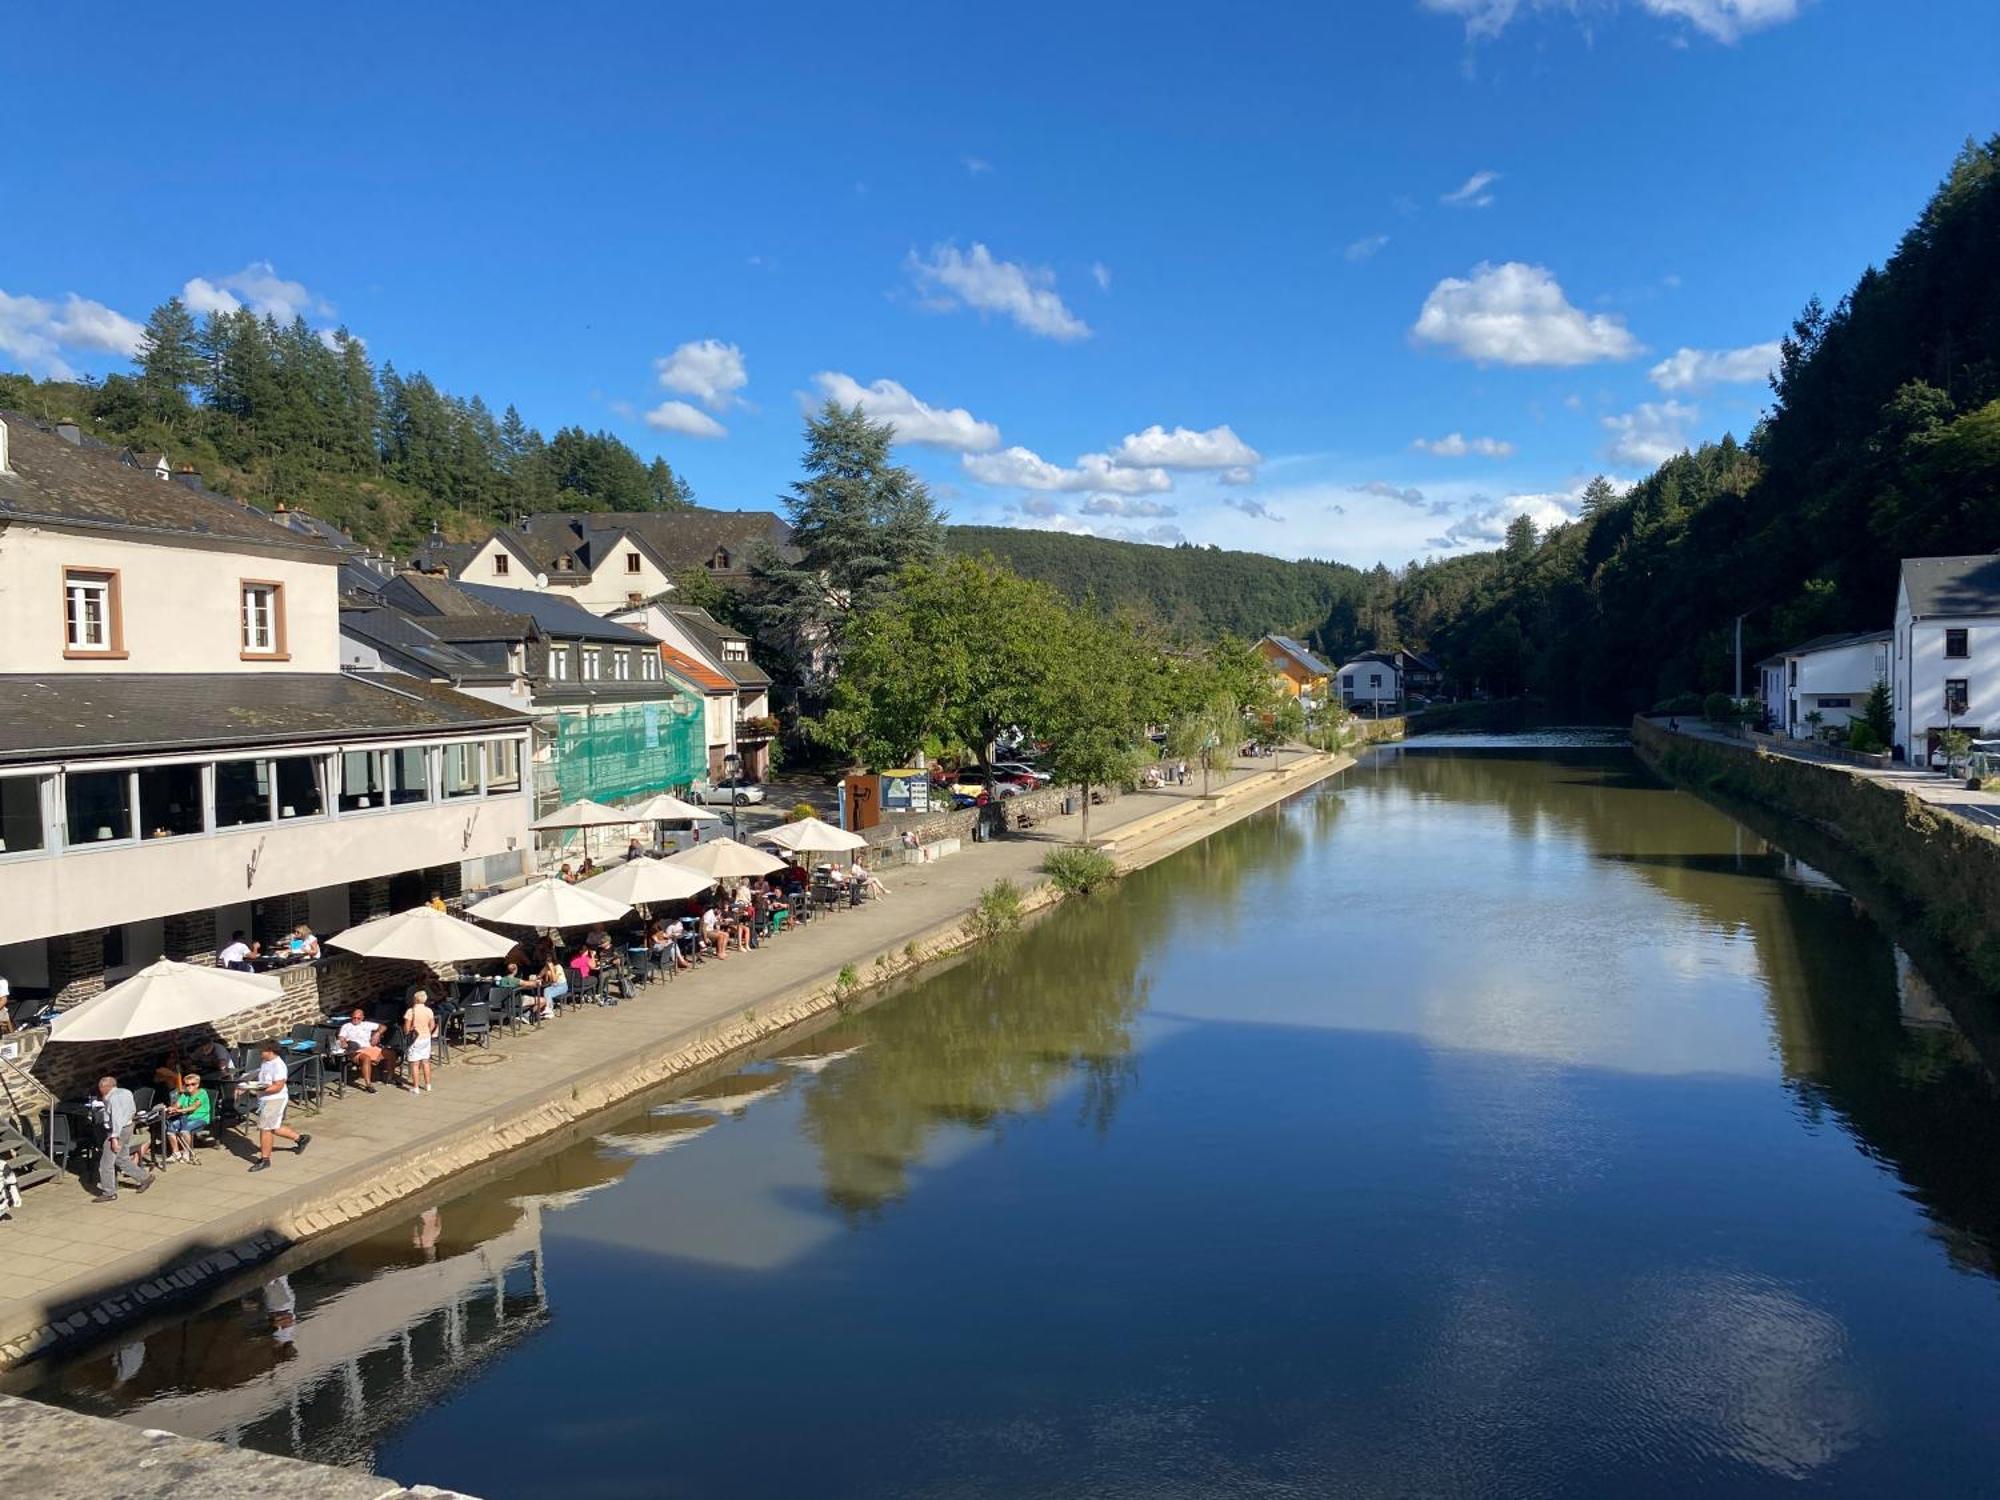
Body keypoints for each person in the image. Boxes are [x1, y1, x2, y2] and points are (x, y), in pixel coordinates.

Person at [243, 1041, 309, 1171]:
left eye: (262, 1051)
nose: (260, 1053)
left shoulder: (279, 1066)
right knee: (274, 1127)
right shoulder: (265, 1062)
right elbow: (259, 1073)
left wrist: (255, 1089)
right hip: (265, 1099)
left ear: (270, 1051)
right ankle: (301, 1138)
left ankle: (265, 1159)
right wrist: (246, 1082)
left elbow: (277, 1087)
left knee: (265, 1128)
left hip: (275, 1099)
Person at [92, 1076, 155, 1202]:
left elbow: (116, 1119)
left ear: (104, 1087)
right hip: (128, 1127)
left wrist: (114, 1138)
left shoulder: (113, 1099)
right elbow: (132, 1110)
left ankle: (109, 1192)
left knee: (106, 1164)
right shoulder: (126, 1092)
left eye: (100, 1088)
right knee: (122, 1159)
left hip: (117, 1131)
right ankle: (144, 1177)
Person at [336, 1007, 388, 1092]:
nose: (356, 1020)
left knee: (389, 1053)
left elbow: (383, 1027)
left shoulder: (366, 1024)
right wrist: (343, 1041)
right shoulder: (346, 1026)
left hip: (368, 1047)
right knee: (366, 1058)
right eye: (354, 1018)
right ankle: (368, 1084)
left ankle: (389, 1078)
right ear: (351, 1017)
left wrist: (377, 1034)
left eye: (358, 1018)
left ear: (362, 1018)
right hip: (356, 1049)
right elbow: (341, 1037)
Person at [162, 1073, 210, 1165]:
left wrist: (179, 1110)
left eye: (193, 1084)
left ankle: (186, 1152)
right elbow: (177, 1104)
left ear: (197, 1085)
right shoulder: (185, 1095)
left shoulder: (202, 1093)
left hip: (200, 1118)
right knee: (170, 1129)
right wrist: (173, 1108)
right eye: (187, 1085)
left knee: (184, 1130)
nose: (189, 1087)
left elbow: (194, 1107)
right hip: (186, 1118)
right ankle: (176, 1153)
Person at [402, 990, 437, 1093]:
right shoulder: (429, 1010)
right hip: (426, 1038)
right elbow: (432, 1025)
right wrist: (427, 1032)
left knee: (415, 1064)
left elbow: (407, 1029)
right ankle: (428, 1084)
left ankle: (416, 1087)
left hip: (415, 1039)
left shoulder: (410, 1011)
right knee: (426, 1062)